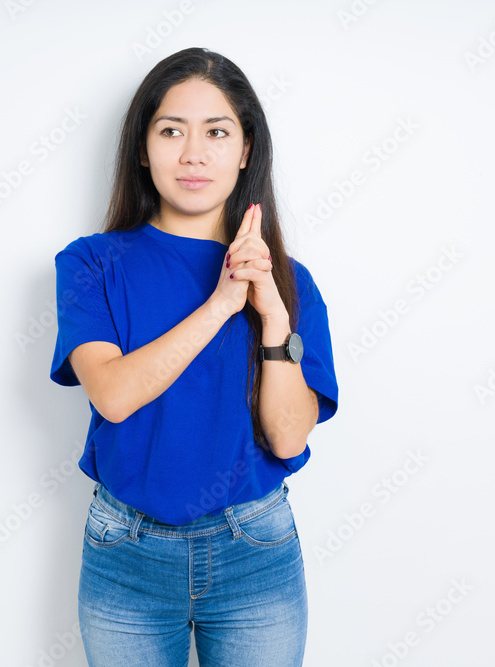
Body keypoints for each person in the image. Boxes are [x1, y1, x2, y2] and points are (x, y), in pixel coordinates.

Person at [48, 47, 339, 666]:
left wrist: (274, 317)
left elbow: (288, 440)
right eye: (171, 130)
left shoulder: (290, 282)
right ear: (142, 148)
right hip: (125, 552)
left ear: (246, 149)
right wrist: (221, 303)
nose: (193, 154)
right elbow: (115, 394)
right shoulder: (91, 263)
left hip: (254, 551)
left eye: (217, 132)